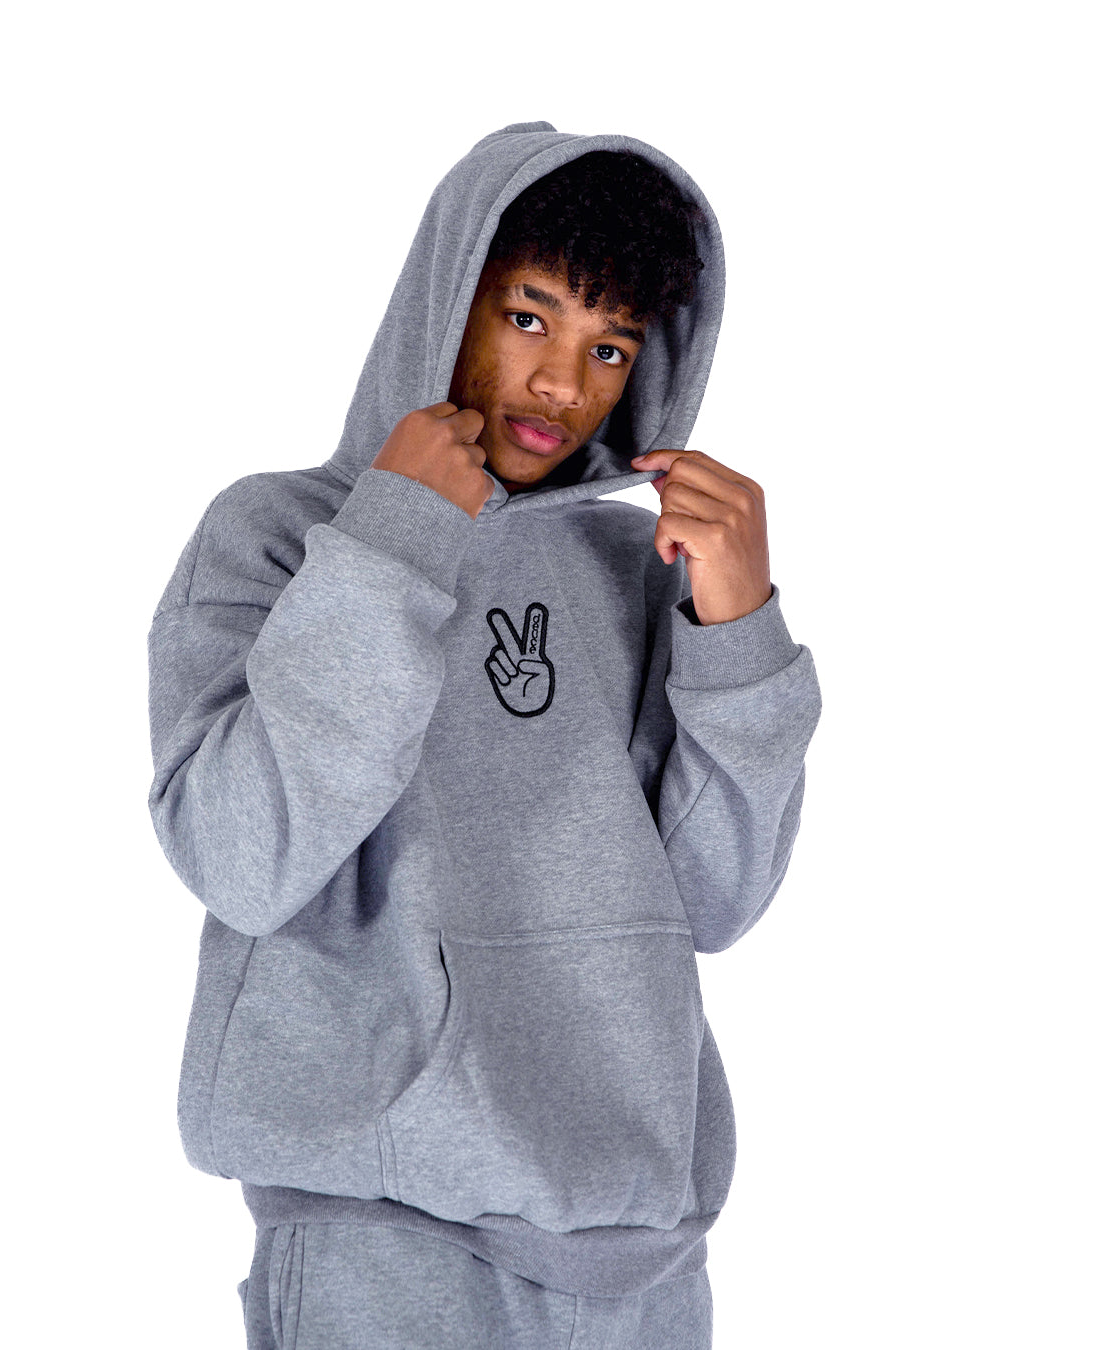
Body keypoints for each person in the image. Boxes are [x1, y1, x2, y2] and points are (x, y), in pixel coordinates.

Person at [146, 121, 822, 1349]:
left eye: (609, 346)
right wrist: (396, 538)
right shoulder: (281, 536)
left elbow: (713, 902)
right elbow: (246, 856)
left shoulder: (643, 567)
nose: (564, 383)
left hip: (643, 1258)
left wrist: (739, 627)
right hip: (380, 1241)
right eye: (527, 318)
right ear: (447, 300)